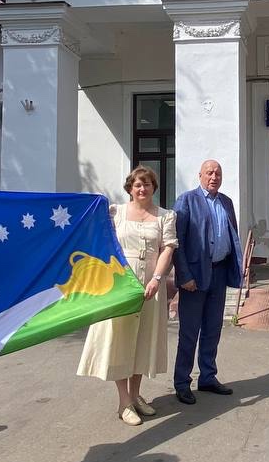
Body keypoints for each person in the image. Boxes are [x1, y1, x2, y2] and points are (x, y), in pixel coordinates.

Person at [76, 166, 178, 422]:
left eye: (147, 184)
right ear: (130, 189)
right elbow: (99, 238)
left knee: (142, 340)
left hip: (151, 284)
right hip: (121, 283)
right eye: (137, 185)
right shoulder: (116, 213)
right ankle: (124, 403)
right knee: (120, 340)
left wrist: (157, 278)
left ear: (154, 187)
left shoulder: (166, 216)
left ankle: (135, 395)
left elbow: (167, 249)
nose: (142, 189)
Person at [172, 160, 243, 404]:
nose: (214, 177)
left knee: (213, 329)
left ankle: (208, 377)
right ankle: (182, 382)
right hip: (194, 276)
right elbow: (176, 241)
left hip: (219, 273)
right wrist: (184, 276)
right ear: (200, 175)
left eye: (218, 173)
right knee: (189, 332)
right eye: (209, 173)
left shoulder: (226, 202)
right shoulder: (186, 200)